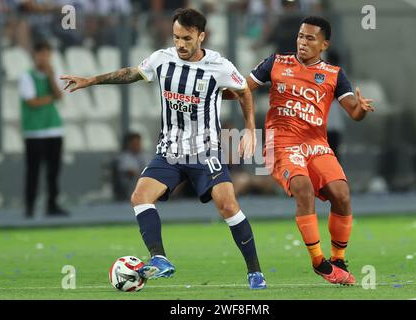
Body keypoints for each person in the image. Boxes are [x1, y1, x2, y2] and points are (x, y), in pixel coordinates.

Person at [60, 8, 267, 290]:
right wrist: (92, 80)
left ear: (201, 36)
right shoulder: (162, 59)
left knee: (228, 206)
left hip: (205, 153)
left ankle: (255, 272)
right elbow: (131, 73)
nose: (180, 44)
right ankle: (159, 258)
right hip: (169, 152)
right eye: (176, 37)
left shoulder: (219, 66)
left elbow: (243, 90)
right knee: (140, 196)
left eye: (186, 38)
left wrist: (249, 129)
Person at [227, 16, 375, 285]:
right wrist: (216, 88)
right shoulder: (275, 63)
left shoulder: (333, 74)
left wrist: (362, 109)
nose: (302, 42)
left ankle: (338, 259)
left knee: (341, 194)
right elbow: (241, 89)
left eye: (310, 38)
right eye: (300, 36)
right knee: (303, 188)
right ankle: (319, 262)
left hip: (316, 144)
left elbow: (353, 111)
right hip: (280, 142)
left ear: (324, 44)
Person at [19, 40, 68, 218]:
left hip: (54, 129)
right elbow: (32, 102)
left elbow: (58, 95)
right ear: (35, 56)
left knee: (53, 171)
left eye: (48, 54)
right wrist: (49, 99)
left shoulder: (53, 74)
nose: (45, 58)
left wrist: (50, 78)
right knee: (33, 171)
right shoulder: (26, 76)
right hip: (34, 131)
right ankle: (30, 206)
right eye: (42, 54)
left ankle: (52, 205)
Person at [113, 132, 150, 201]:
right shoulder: (123, 157)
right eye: (134, 144)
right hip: (131, 186)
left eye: (138, 143)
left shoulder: (146, 156)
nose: (137, 146)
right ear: (129, 144)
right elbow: (130, 172)